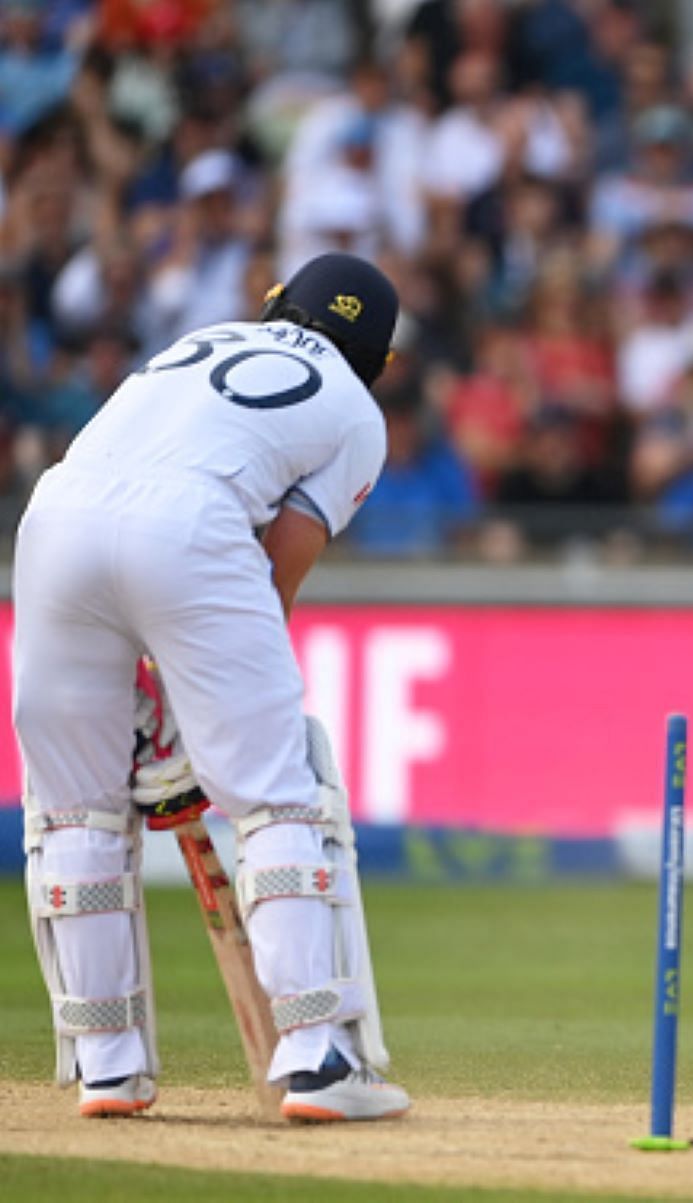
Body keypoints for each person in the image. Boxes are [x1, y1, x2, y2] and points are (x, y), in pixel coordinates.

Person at [12, 252, 411, 1122]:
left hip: (53, 520)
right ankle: (315, 1056)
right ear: (375, 357)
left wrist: (175, 703)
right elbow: (278, 571)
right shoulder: (354, 407)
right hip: (190, 526)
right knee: (275, 794)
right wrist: (206, 714)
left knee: (75, 807)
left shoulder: (201, 341)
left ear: (277, 305)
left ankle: (107, 1064)